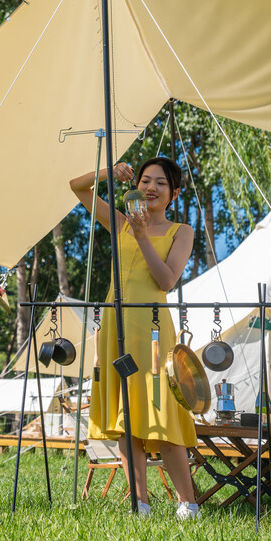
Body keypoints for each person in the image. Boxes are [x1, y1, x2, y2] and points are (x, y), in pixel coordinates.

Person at [70, 157, 199, 519]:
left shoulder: (181, 231)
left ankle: (188, 503)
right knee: (125, 415)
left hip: (154, 328)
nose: (151, 188)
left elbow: (166, 281)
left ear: (173, 193)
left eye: (160, 183)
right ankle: (138, 503)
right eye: (145, 180)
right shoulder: (120, 222)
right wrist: (107, 173)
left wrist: (143, 237)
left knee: (163, 410)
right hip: (116, 325)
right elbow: (77, 188)